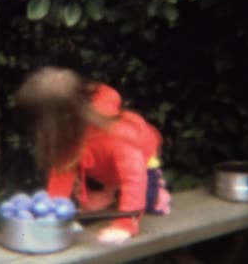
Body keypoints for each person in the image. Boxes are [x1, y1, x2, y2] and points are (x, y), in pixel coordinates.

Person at [15, 66, 171, 244]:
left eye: (40, 125)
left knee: (150, 203)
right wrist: (53, 213)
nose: (38, 132)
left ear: (59, 119)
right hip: (104, 171)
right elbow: (62, 171)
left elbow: (134, 178)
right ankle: (112, 192)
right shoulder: (71, 132)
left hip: (142, 166)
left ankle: (154, 192)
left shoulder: (117, 136)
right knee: (91, 209)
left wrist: (126, 225)